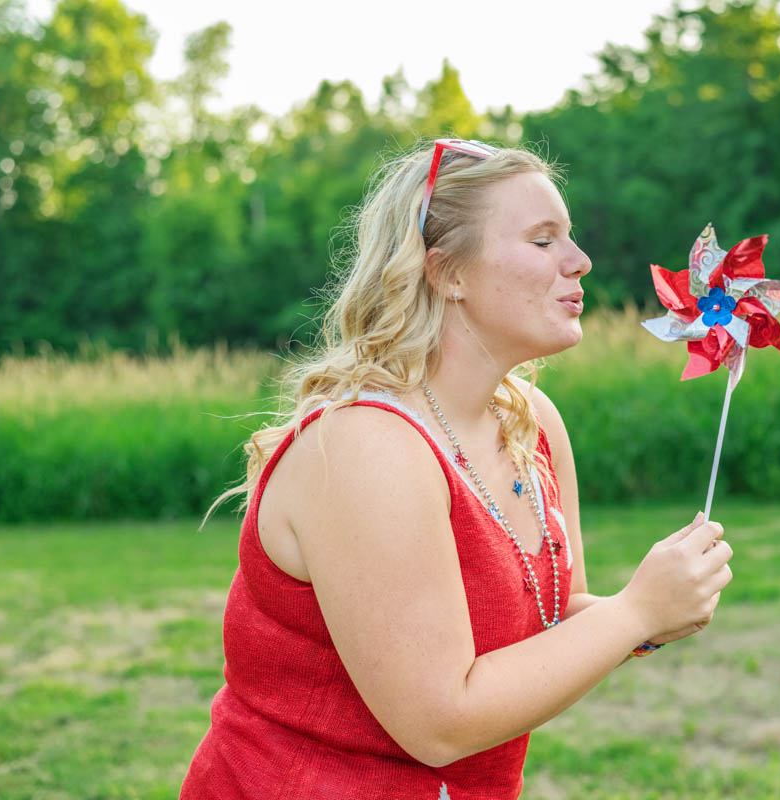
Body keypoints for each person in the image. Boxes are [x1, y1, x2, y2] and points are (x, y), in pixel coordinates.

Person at [180, 139, 734, 799]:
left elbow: (556, 617)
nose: (580, 261)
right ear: (447, 273)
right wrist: (635, 615)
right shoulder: (368, 447)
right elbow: (440, 721)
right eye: (542, 240)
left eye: (571, 237)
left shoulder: (530, 421)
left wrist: (649, 613)